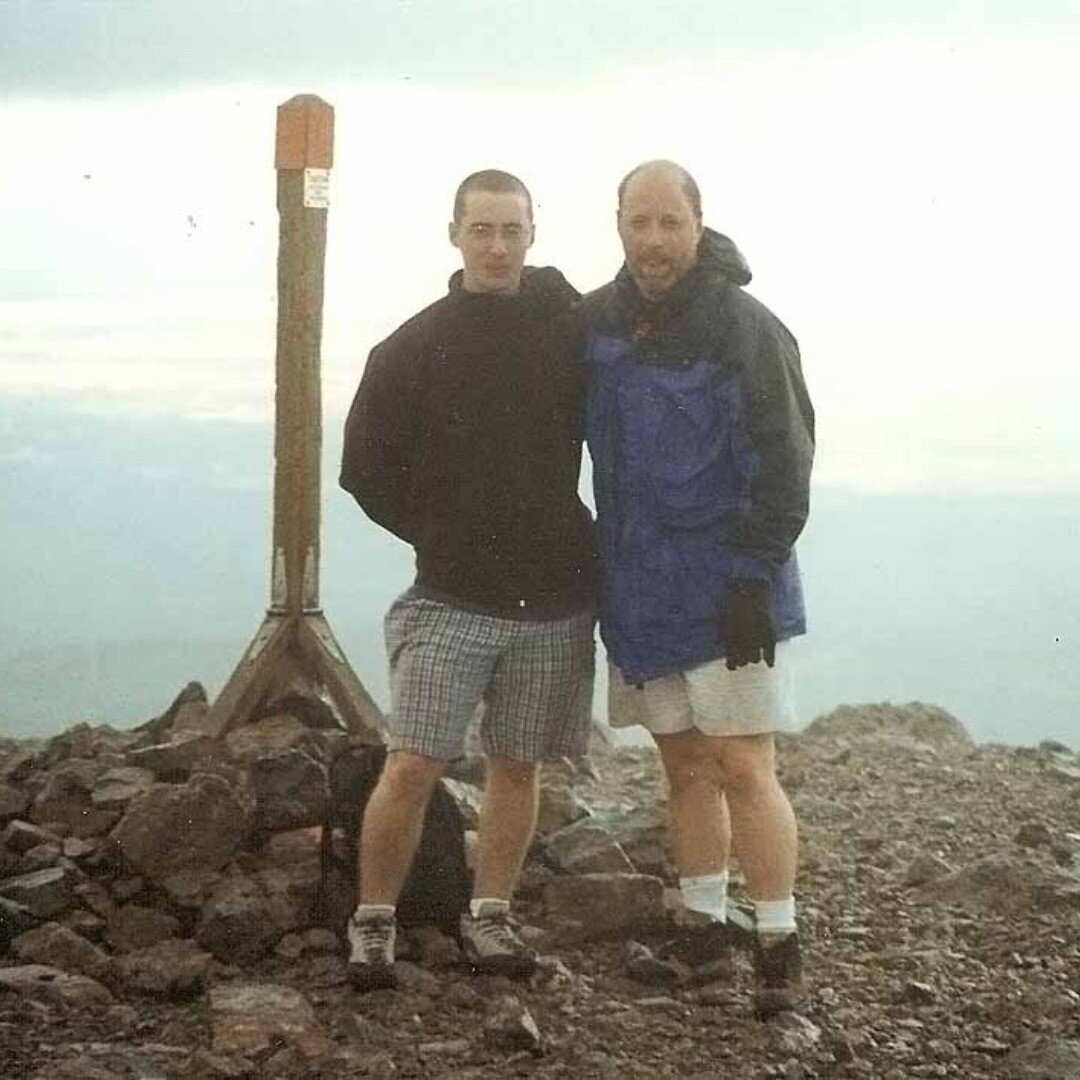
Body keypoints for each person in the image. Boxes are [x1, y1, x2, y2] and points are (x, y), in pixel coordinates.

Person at [338, 169, 597, 992]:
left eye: (511, 230)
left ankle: (491, 916)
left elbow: (636, 329)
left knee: (517, 763)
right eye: (481, 230)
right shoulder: (412, 347)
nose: (496, 246)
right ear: (454, 234)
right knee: (413, 761)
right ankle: (373, 923)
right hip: (449, 596)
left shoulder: (567, 328)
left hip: (553, 598)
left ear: (533, 233)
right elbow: (364, 471)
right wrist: (443, 532)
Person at [580, 160, 814, 1018]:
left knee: (745, 764)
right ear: (618, 224)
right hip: (641, 589)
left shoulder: (746, 327)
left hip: (727, 590)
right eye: (638, 222)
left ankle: (780, 948)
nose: (653, 241)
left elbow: (787, 460)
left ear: (697, 223)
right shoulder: (601, 323)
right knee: (681, 767)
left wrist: (754, 574)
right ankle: (705, 938)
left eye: (669, 223)